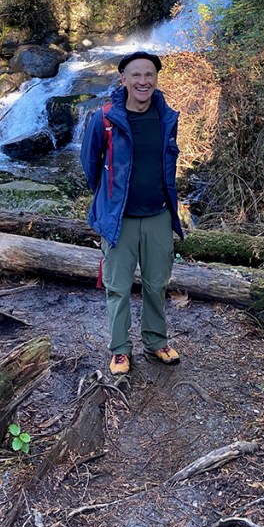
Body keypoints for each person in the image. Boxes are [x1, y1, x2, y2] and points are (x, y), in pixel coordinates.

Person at [80, 50, 184, 375]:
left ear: (156, 79)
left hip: (158, 214)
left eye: (149, 75)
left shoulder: (167, 117)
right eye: (136, 75)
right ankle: (120, 350)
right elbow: (89, 165)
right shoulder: (105, 118)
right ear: (123, 79)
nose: (143, 81)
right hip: (119, 219)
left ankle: (156, 341)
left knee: (157, 283)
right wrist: (111, 199)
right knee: (118, 287)